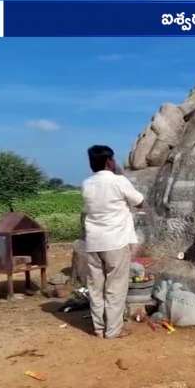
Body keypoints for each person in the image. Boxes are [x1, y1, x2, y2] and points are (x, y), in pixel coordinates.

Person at [82, 145, 144, 339]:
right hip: (115, 241)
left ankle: (99, 328)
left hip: (93, 242)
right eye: (113, 159)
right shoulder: (119, 181)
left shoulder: (86, 184)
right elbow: (140, 201)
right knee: (115, 287)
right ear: (109, 161)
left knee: (95, 287)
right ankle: (113, 330)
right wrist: (120, 174)